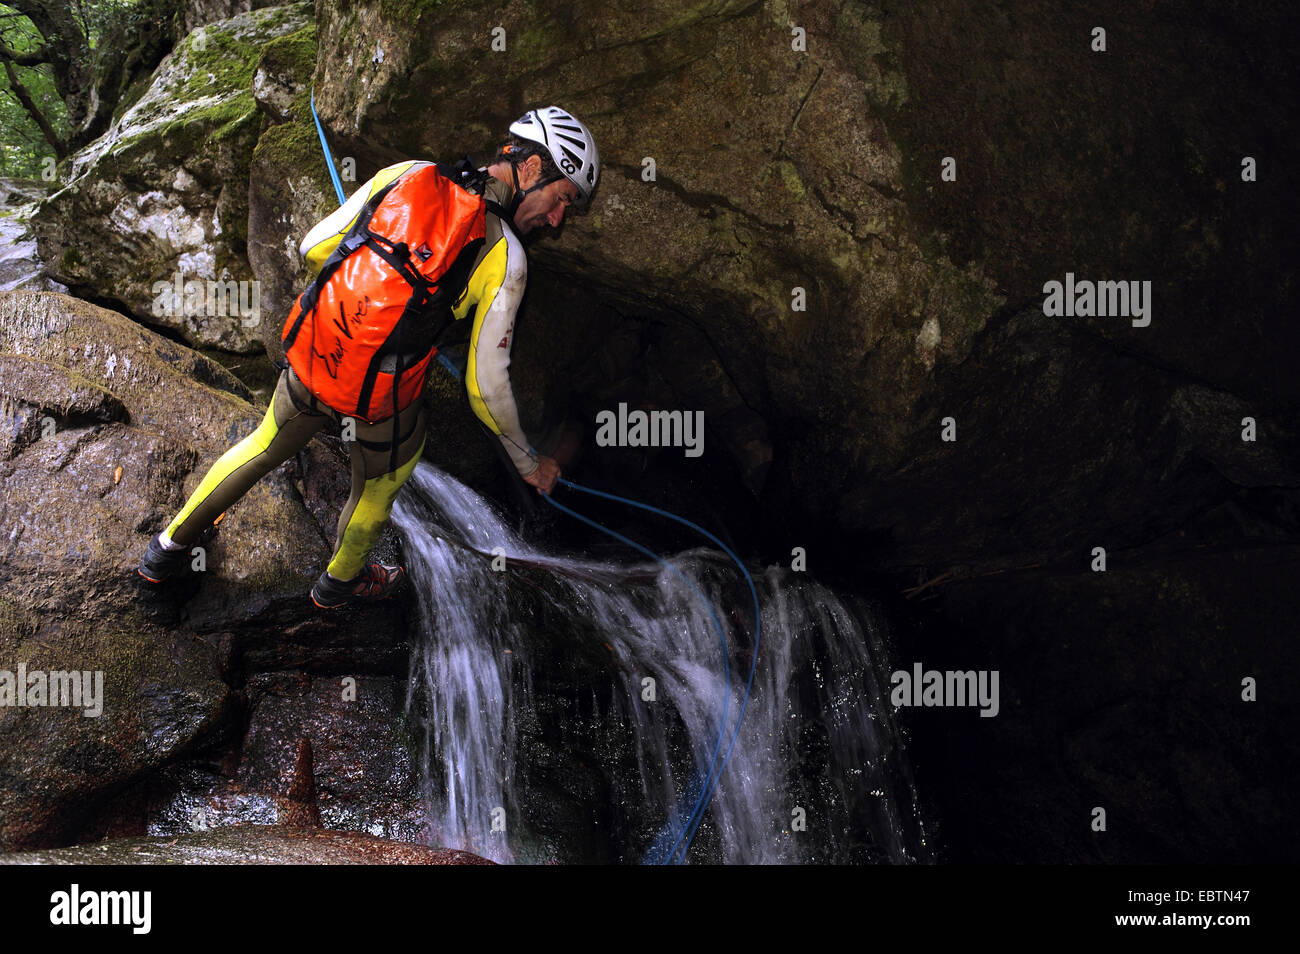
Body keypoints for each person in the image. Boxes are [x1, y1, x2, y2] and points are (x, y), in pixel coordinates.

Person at [137, 106, 600, 608]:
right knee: (382, 478)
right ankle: (339, 583)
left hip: (320, 352)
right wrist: (529, 465)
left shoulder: (411, 174)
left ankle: (165, 551)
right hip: (382, 396)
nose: (556, 220)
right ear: (532, 169)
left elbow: (315, 247)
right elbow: (485, 387)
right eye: (562, 200)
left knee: (265, 444)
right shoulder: (506, 256)